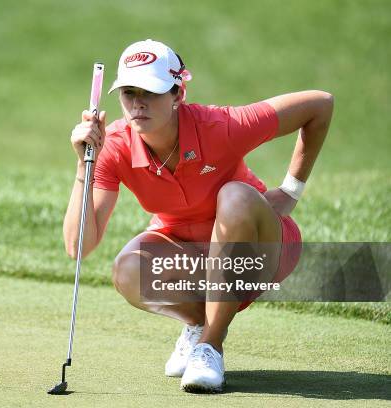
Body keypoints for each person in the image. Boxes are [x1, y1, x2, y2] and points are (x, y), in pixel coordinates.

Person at [63, 39, 333, 393]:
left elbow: (319, 105)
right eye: (129, 92)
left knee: (234, 196)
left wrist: (291, 190)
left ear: (178, 94)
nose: (137, 103)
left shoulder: (220, 125)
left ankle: (210, 346)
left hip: (261, 248)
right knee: (129, 269)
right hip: (191, 255)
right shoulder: (112, 146)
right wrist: (85, 166)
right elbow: (78, 246)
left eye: (151, 91)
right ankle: (198, 326)